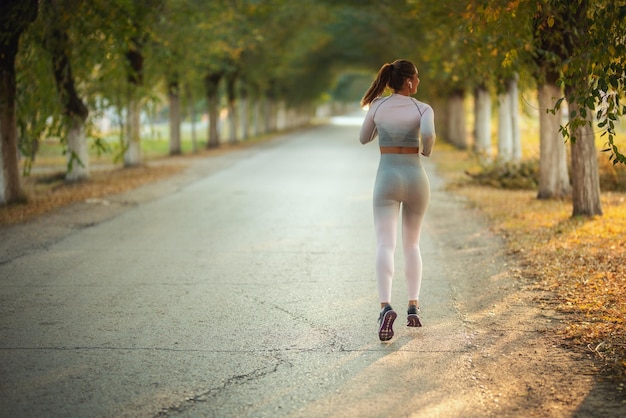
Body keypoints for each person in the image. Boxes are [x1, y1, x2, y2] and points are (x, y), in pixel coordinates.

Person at [359, 59, 436, 341]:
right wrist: (426, 150)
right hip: (416, 177)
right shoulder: (422, 108)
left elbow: (363, 137)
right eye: (418, 77)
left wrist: (382, 127)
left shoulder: (378, 106)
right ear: (410, 82)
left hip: (387, 179)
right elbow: (427, 134)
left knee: (385, 244)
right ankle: (413, 307)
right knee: (412, 243)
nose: (419, 82)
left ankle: (385, 306)